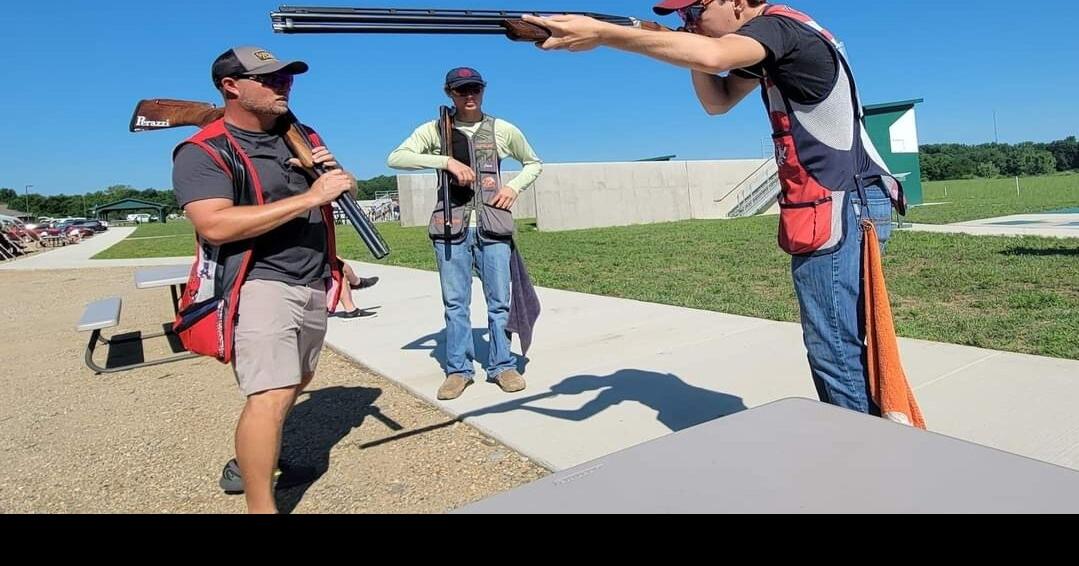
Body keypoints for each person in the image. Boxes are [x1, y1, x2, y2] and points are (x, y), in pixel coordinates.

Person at [523, 1, 907, 414]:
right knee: (843, 341)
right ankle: (867, 436)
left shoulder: (778, 29)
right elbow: (717, 100)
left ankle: (859, 450)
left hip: (837, 203)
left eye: (695, 10)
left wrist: (604, 33)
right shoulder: (782, 37)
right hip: (846, 200)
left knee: (834, 347)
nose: (689, 22)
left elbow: (714, 56)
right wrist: (683, 39)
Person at [171, 46, 355, 513]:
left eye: (286, 77)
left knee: (297, 380)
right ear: (231, 87)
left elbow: (319, 201)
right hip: (258, 283)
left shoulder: (300, 134)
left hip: (310, 277)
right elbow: (214, 224)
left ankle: (252, 461)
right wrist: (311, 194)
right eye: (268, 78)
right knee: (270, 394)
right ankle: (260, 506)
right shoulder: (203, 151)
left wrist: (334, 185)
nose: (283, 84)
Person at [387, 67, 543, 401]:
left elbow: (533, 163)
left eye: (474, 89)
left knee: (499, 301)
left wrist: (513, 187)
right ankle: (458, 370)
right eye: (461, 91)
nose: (469, 96)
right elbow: (395, 157)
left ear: (483, 90)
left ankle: (503, 364)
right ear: (449, 93)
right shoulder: (435, 131)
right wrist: (444, 161)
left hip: (492, 226)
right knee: (455, 304)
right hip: (451, 228)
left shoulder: (502, 129)